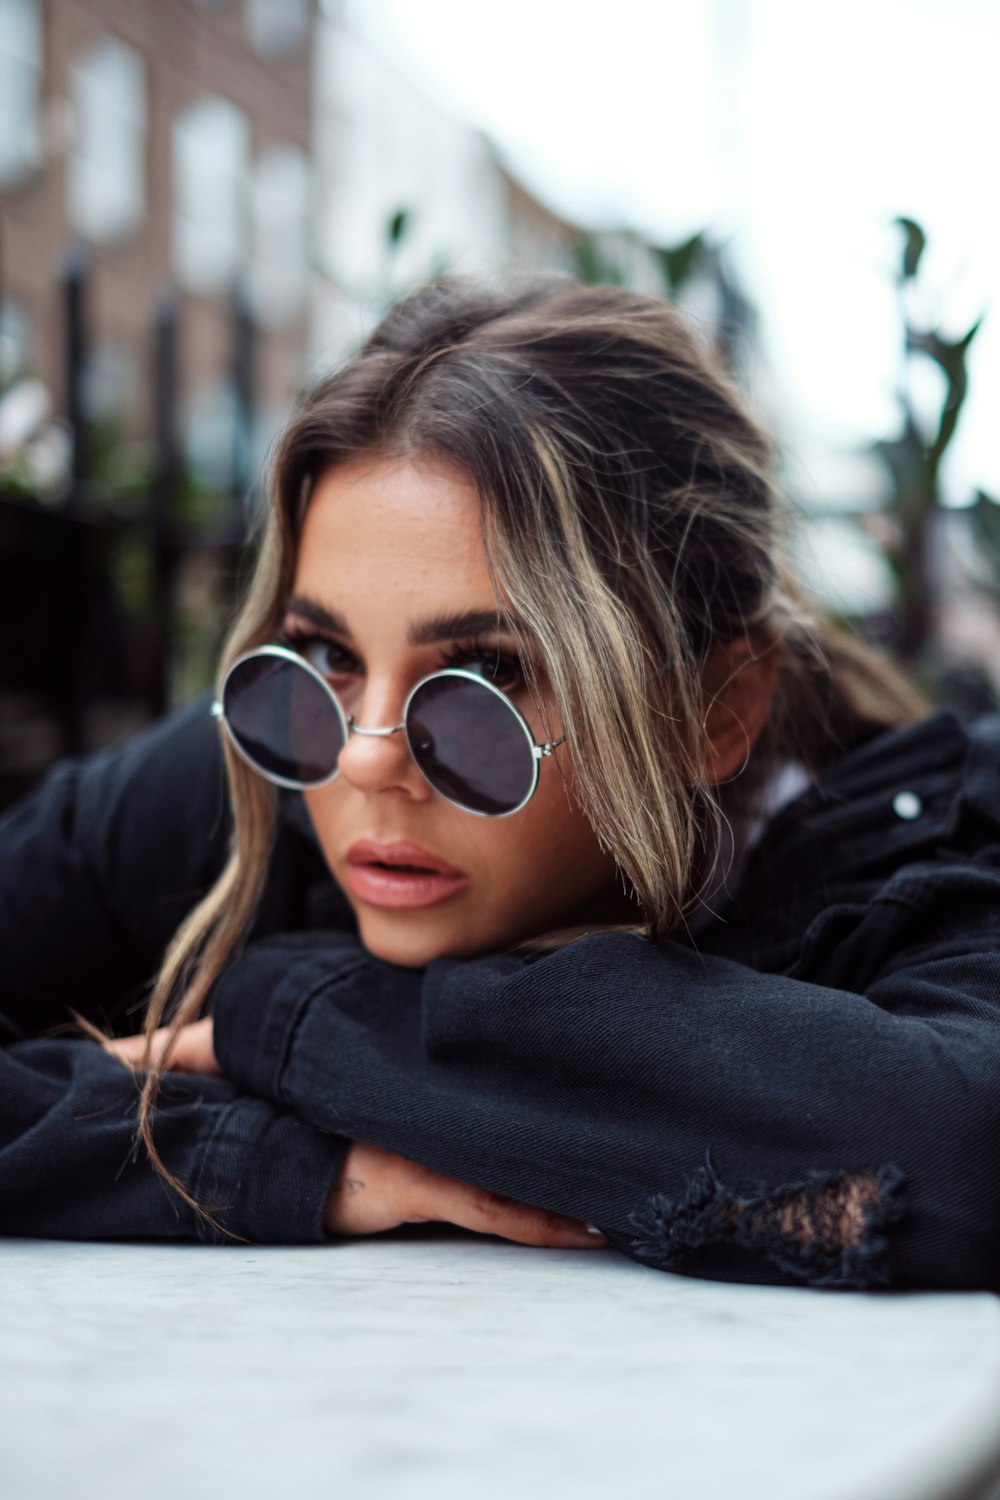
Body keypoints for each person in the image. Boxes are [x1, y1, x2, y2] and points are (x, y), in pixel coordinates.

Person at [2, 274, 998, 1291]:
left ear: (717, 712)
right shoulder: (259, 764)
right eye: (325, 650)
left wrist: (311, 1016)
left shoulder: (926, 846)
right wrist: (302, 1166)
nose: (363, 758)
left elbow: (963, 1163)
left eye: (488, 673)